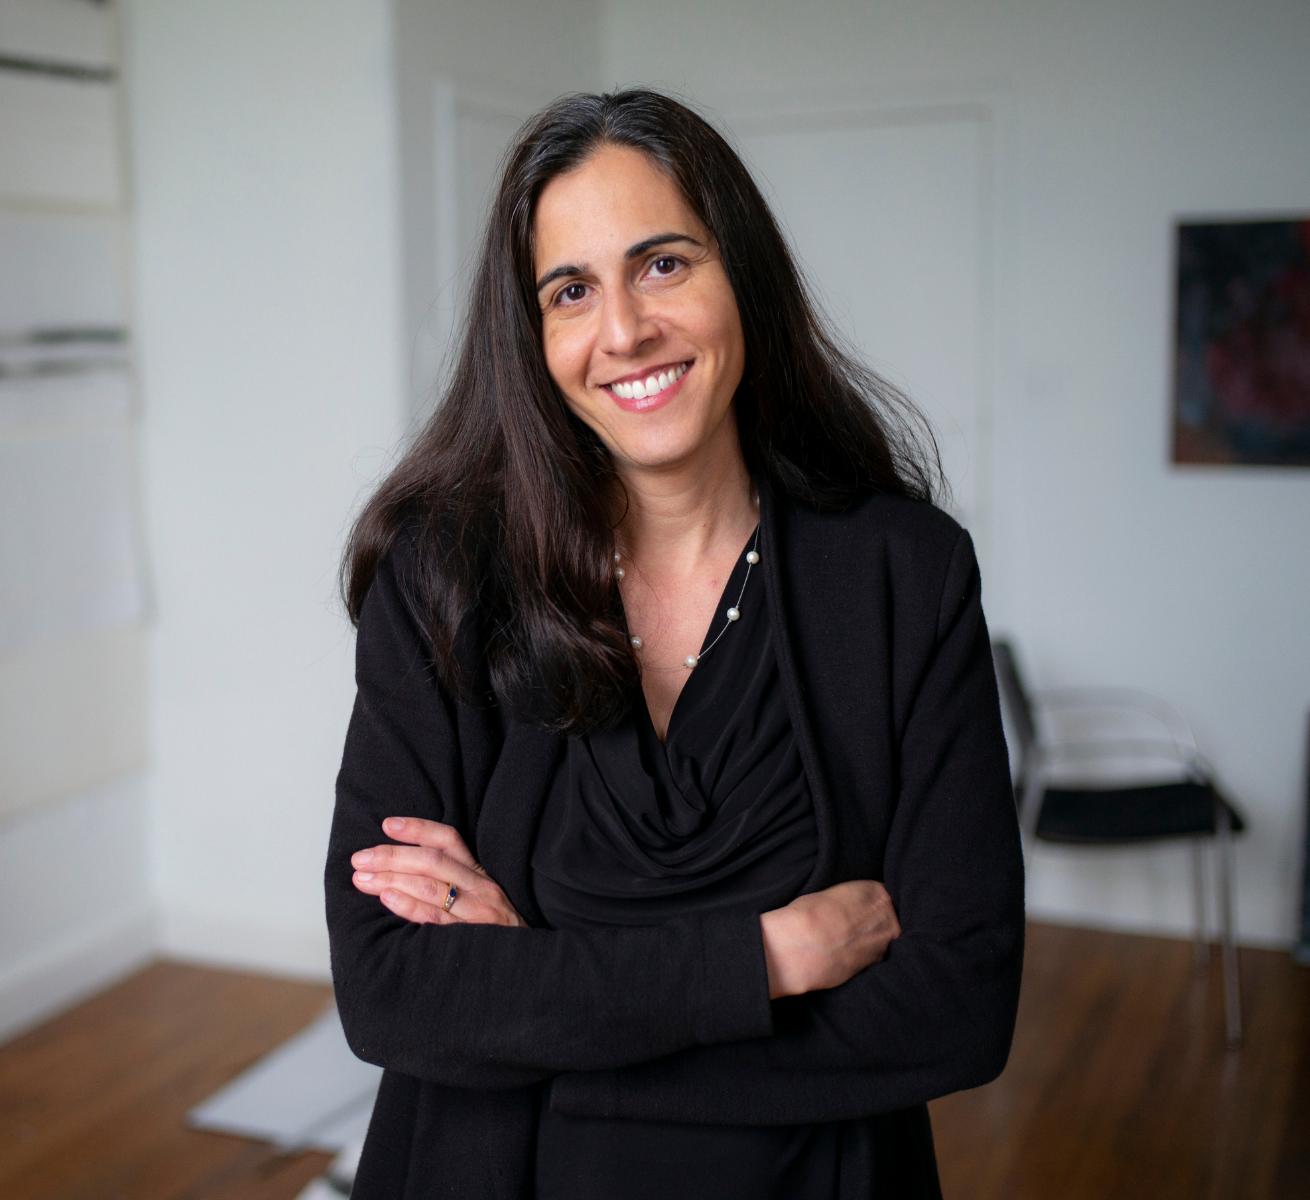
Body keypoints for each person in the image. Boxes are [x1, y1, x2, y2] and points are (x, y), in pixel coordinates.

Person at [326, 89, 1023, 1200]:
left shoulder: (904, 575)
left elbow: (959, 1004)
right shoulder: (446, 578)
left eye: (663, 265)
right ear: (533, 335)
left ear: (738, 271)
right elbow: (393, 991)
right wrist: (766, 961)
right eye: (570, 291)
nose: (624, 331)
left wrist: (545, 1014)